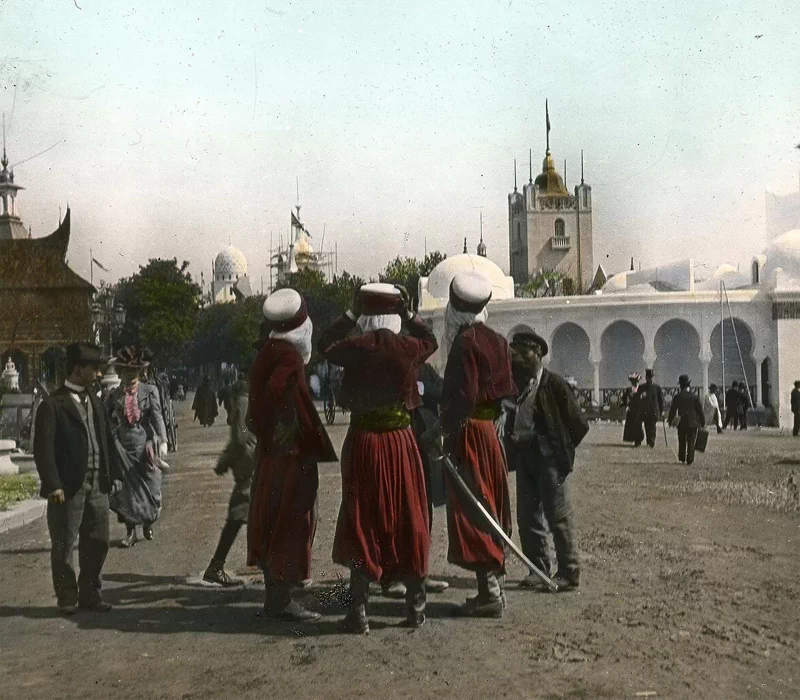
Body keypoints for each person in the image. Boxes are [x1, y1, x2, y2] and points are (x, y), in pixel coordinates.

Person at [319, 282, 436, 633]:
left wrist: (351, 313)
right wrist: (409, 313)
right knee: (408, 515)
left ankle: (358, 611)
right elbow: (431, 340)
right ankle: (415, 607)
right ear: (395, 315)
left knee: (362, 518)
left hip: (365, 443)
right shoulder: (408, 346)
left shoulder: (356, 346)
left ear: (367, 316)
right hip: (401, 442)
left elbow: (324, 343)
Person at [248, 289, 337, 622]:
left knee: (271, 520)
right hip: (290, 454)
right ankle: (282, 599)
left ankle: (277, 594)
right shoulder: (289, 358)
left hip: (271, 453)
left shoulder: (266, 352)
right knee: (291, 520)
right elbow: (279, 393)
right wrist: (286, 423)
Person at [440, 271, 517, 618]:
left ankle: (490, 593)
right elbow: (505, 393)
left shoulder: (464, 342)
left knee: (475, 507)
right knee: (490, 502)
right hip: (489, 433)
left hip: (469, 432)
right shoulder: (498, 341)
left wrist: (440, 431)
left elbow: (462, 397)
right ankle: (492, 587)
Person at [33, 343, 123, 615]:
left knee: (99, 540)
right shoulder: (52, 404)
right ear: (77, 369)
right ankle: (67, 597)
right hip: (68, 487)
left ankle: (90, 594)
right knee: (64, 543)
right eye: (94, 369)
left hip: (98, 484)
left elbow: (107, 439)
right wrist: (53, 484)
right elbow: (43, 449)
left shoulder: (95, 400)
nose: (98, 374)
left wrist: (114, 474)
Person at [510, 331, 589, 593]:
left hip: (549, 460)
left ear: (539, 354)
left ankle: (568, 571)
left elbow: (578, 424)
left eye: (524, 352)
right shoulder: (520, 385)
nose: (518, 357)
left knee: (558, 516)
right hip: (525, 458)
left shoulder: (554, 384)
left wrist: (560, 450)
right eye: (515, 352)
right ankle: (538, 569)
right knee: (527, 516)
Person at [106, 347, 169, 547]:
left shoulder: (149, 391)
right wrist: (110, 436)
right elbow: (105, 418)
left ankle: (148, 520)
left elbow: (158, 417)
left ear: (139, 371)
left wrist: (162, 440)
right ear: (119, 373)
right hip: (123, 447)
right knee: (126, 490)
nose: (129, 375)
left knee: (152, 486)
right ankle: (130, 532)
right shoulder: (114, 394)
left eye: (133, 371)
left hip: (146, 446)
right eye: (125, 372)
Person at [204, 372, 257, 586]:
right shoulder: (245, 400)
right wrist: (227, 461)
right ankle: (215, 566)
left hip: (247, 465)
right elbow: (241, 436)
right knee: (237, 516)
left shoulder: (244, 398)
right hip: (249, 467)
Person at [667, 374, 705, 465]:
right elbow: (700, 411)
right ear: (689, 385)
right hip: (693, 422)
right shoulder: (694, 397)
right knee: (691, 441)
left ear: (680, 385)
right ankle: (690, 459)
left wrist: (670, 421)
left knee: (682, 440)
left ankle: (682, 458)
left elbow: (672, 410)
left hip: (682, 422)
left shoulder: (677, 397)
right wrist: (703, 422)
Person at [638, 369, 664, 448]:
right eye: (649, 377)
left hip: (654, 410)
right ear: (646, 378)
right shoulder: (642, 387)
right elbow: (638, 399)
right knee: (647, 426)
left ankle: (651, 442)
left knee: (652, 427)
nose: (650, 379)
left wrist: (662, 410)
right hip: (645, 410)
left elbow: (660, 400)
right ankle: (648, 441)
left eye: (651, 377)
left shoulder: (657, 388)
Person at [621, 372, 644, 447]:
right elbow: (624, 398)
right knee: (632, 425)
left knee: (638, 424)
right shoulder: (628, 389)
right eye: (633, 381)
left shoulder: (641, 389)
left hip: (639, 409)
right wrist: (626, 405)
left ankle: (638, 440)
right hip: (631, 409)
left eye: (636, 381)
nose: (634, 383)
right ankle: (634, 439)